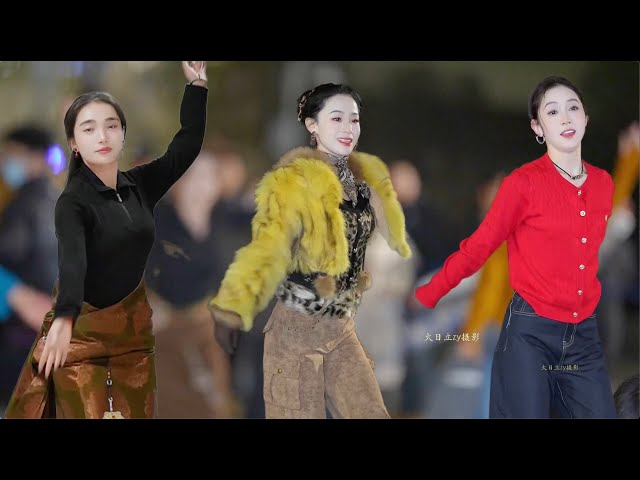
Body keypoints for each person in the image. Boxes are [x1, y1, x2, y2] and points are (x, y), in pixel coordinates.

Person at [5, 61, 208, 419]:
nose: (102, 136)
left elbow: (186, 146)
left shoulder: (140, 185)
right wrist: (65, 320)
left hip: (133, 337)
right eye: (89, 128)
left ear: (123, 135)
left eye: (111, 126)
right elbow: (73, 262)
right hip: (83, 335)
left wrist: (197, 87)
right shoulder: (72, 201)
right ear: (74, 143)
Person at [415, 76, 618, 419]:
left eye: (573, 108)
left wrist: (630, 159)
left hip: (580, 328)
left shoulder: (599, 183)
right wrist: (438, 298)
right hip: (521, 326)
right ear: (538, 128)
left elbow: (602, 235)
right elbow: (485, 270)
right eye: (552, 112)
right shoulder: (522, 186)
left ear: (585, 117)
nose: (566, 118)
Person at [208, 83, 412, 419]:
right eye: (336, 118)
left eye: (354, 119)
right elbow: (266, 249)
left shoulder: (363, 183)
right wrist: (233, 307)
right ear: (312, 125)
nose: (348, 128)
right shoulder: (291, 182)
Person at [0, 126, 60, 412]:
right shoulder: (56, 199)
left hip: (19, 325)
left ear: (34, 157)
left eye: (11, 153)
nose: (5, 161)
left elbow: (8, 255)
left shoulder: (23, 203)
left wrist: (11, 291)